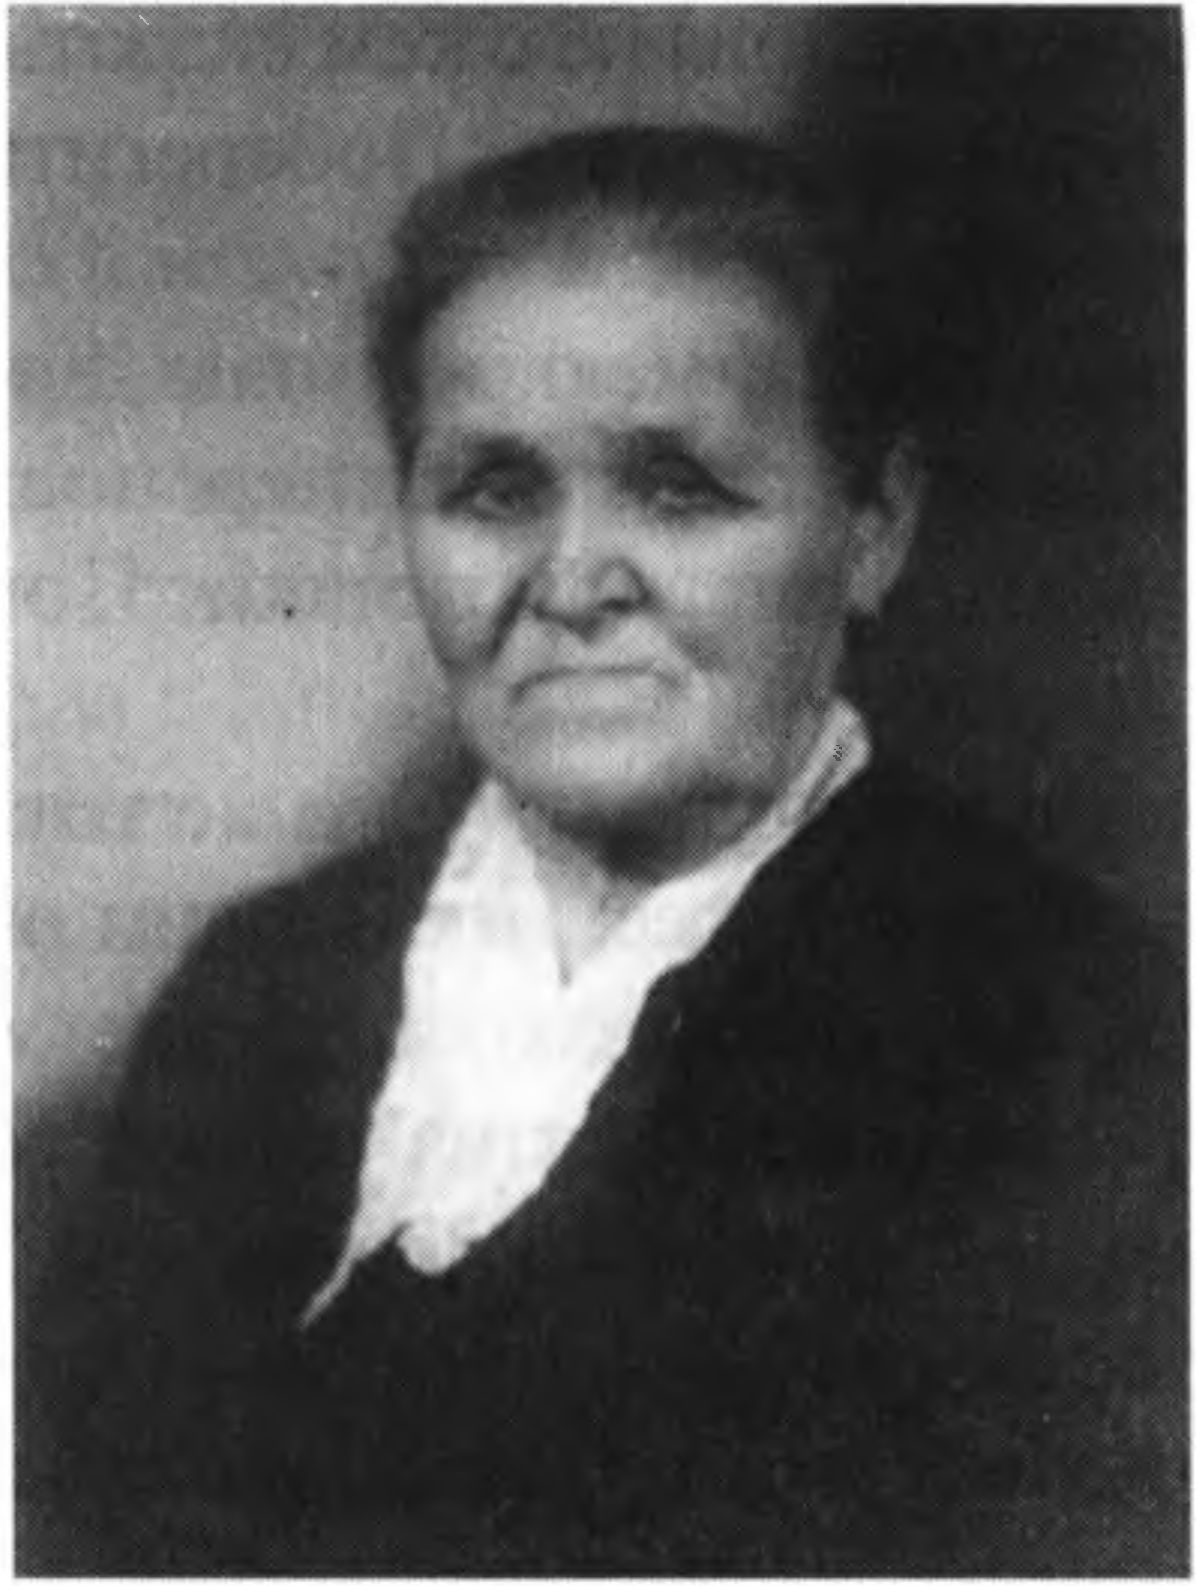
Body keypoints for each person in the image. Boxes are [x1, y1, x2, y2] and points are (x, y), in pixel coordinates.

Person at [19, 126, 1184, 1575]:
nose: (572, 582)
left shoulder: (1078, 1032)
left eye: (678, 487)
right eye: (494, 491)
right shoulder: (258, 990)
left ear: (873, 526)